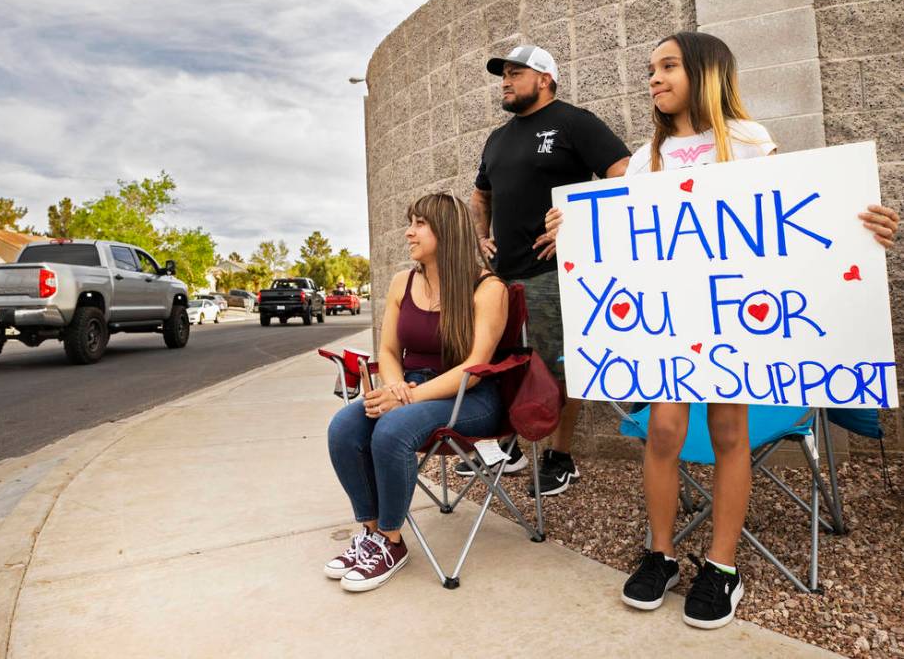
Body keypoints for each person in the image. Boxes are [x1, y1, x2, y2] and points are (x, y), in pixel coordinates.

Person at [541, 31, 899, 629]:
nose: (653, 78)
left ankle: (722, 567)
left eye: (668, 66)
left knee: (731, 428)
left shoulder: (751, 143)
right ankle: (660, 552)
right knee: (663, 428)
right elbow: (624, 237)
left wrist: (863, 223)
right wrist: (571, 228)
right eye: (650, 69)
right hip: (669, 328)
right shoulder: (646, 158)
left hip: (737, 321)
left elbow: (796, 215)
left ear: (706, 72)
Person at [465, 44, 631, 495]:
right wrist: (482, 237)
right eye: (503, 74)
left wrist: (577, 222)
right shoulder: (497, 139)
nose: (505, 81)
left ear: (544, 78)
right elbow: (481, 195)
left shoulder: (575, 122)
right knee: (502, 362)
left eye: (515, 73)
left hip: (554, 271)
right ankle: (510, 446)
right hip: (503, 275)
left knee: (559, 366)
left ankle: (561, 455)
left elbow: (626, 176)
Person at [325, 192, 508, 592]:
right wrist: (393, 387)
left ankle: (392, 542)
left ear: (447, 230)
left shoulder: (488, 288)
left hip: (469, 397)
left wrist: (404, 398)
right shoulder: (401, 283)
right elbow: (389, 351)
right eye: (411, 222)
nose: (409, 232)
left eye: (419, 223)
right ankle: (372, 533)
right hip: (412, 386)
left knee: (392, 430)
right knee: (344, 427)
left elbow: (474, 368)